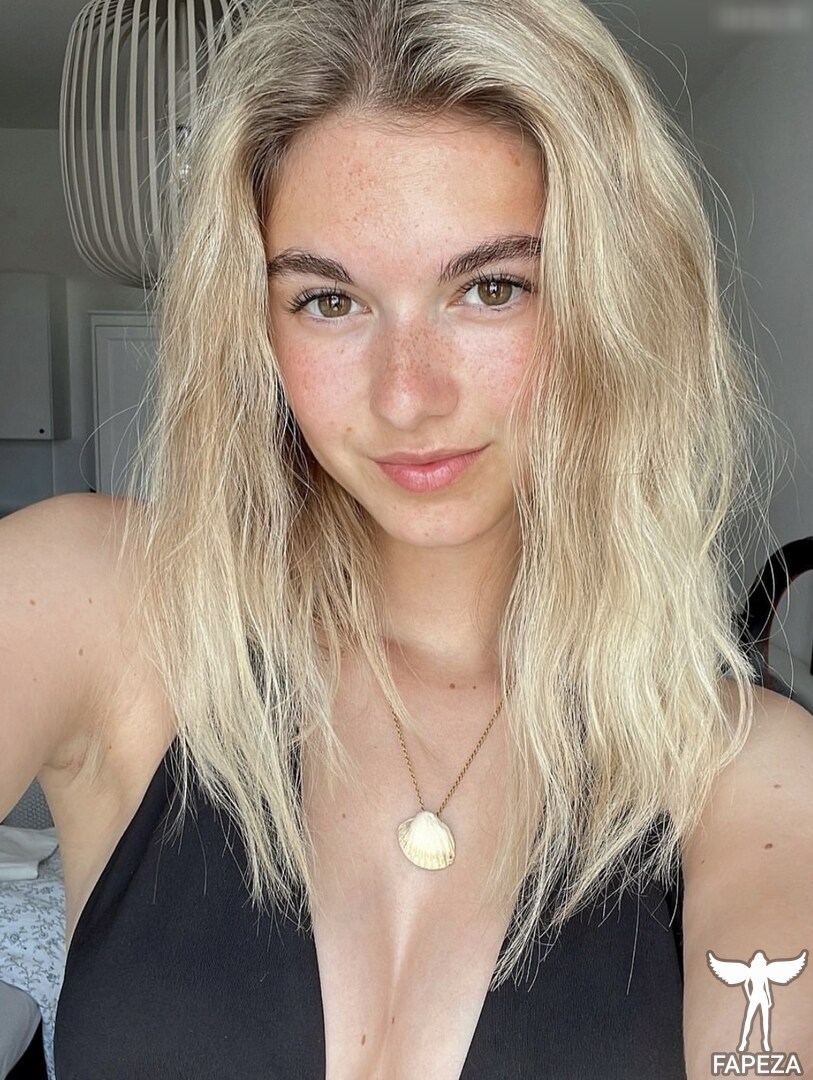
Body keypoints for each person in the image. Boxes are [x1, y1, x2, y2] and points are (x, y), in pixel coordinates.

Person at [2, 0, 812, 1076]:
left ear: (612, 309)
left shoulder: (745, 770)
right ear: (255, 327)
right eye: (329, 301)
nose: (406, 396)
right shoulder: (97, 603)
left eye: (490, 289)